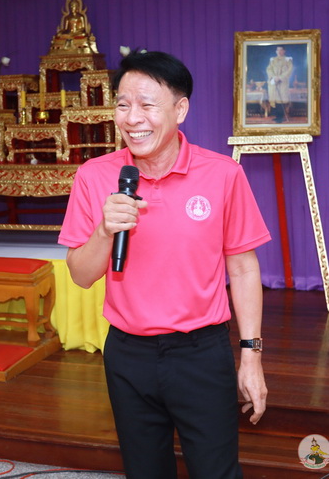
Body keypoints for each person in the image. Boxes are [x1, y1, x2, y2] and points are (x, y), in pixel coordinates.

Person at [58, 50, 271, 479]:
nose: (132, 118)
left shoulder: (223, 174)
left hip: (201, 352)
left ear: (180, 109)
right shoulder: (94, 176)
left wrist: (251, 356)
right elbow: (81, 276)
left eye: (147, 105)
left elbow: (244, 269)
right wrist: (104, 230)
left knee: (216, 471)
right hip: (127, 354)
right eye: (123, 104)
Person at [266, 46, 293, 123]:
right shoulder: (272, 60)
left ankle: (281, 117)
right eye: (278, 50)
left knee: (281, 99)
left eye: (281, 50)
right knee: (275, 99)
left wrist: (280, 77)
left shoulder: (288, 60)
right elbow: (269, 69)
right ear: (276, 51)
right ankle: (277, 116)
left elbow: (289, 70)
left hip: (282, 82)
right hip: (274, 82)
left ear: (284, 51)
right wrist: (274, 77)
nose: (279, 52)